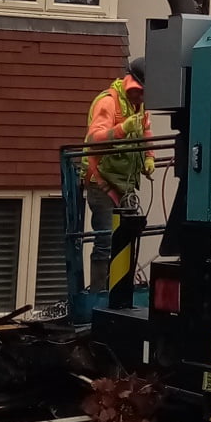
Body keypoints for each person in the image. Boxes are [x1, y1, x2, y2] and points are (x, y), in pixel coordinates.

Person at [82, 57, 151, 298]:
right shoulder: (109, 103)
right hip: (102, 183)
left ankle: (121, 289)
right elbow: (93, 140)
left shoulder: (138, 106)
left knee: (127, 237)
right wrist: (122, 129)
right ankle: (99, 294)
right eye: (141, 93)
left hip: (126, 184)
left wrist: (149, 157)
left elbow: (146, 131)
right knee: (105, 242)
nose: (142, 100)